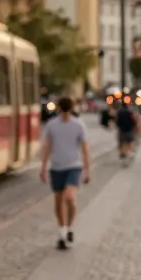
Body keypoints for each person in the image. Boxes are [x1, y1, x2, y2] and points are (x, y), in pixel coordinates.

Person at [40, 95, 92, 250]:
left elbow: (84, 148)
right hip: (56, 167)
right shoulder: (52, 125)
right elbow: (47, 146)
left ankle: (69, 227)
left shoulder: (78, 125)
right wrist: (43, 167)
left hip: (73, 166)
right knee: (58, 201)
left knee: (68, 196)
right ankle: (62, 231)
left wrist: (87, 169)